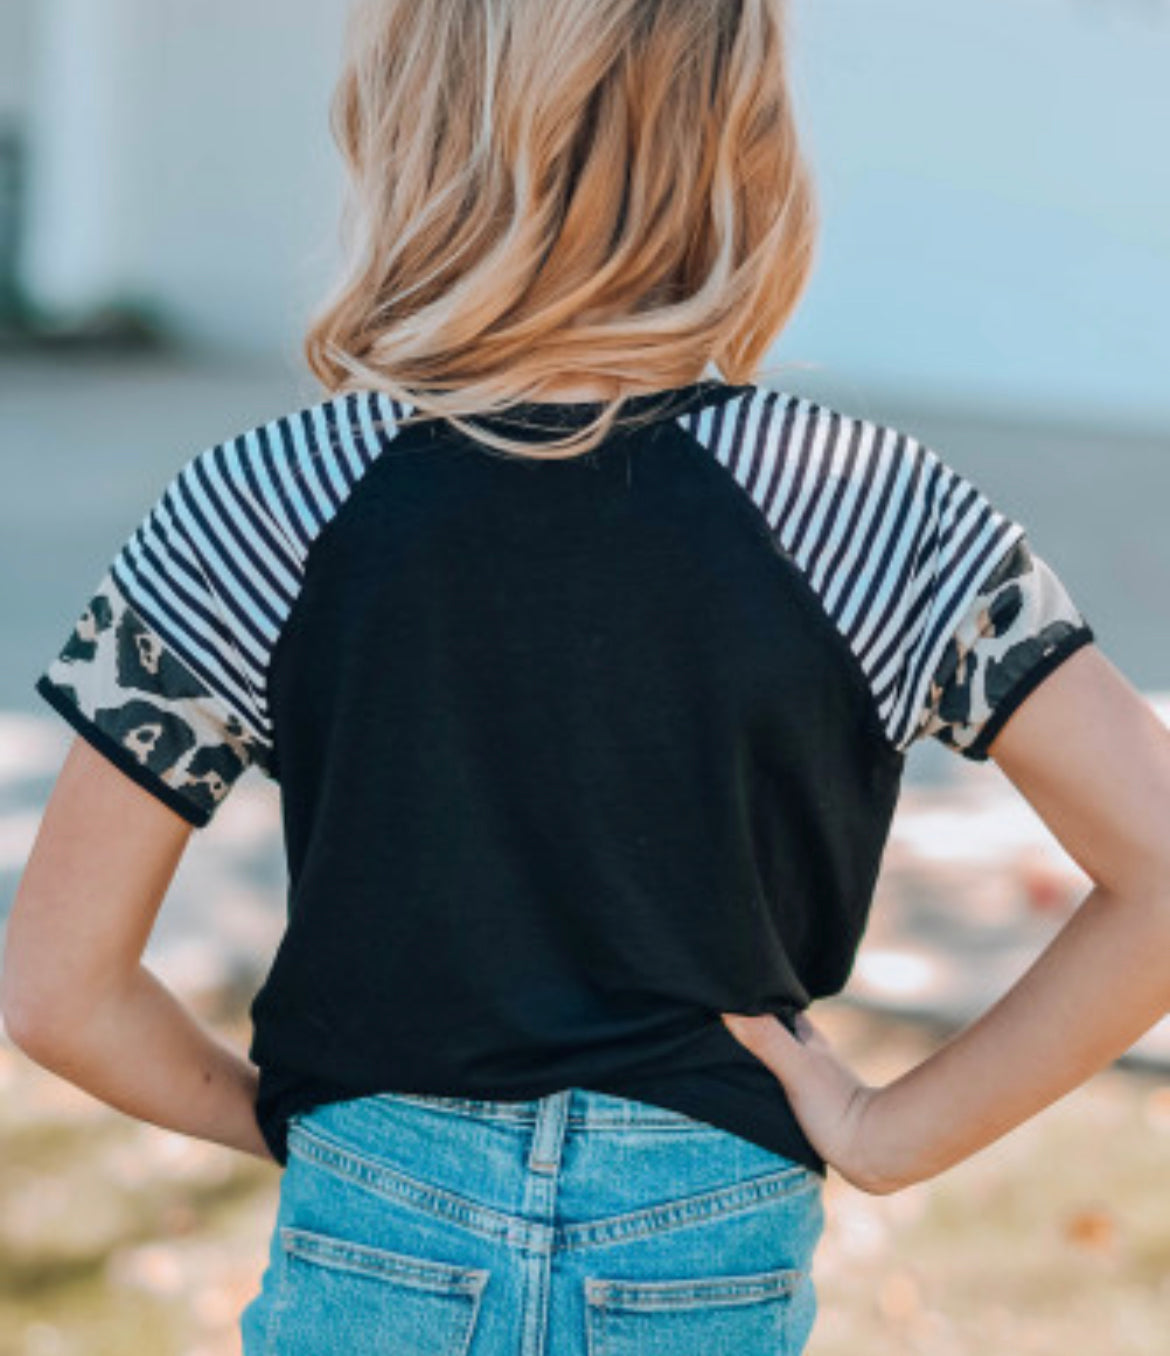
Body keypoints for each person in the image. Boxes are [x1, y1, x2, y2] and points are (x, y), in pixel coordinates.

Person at [4, 1, 1169, 1352]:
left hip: (376, 1221)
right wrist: (888, 1134)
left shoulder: (260, 503)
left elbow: (57, 989)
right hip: (703, 1241)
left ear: (411, 127)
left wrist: (317, 1131)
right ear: (741, 137)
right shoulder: (877, 508)